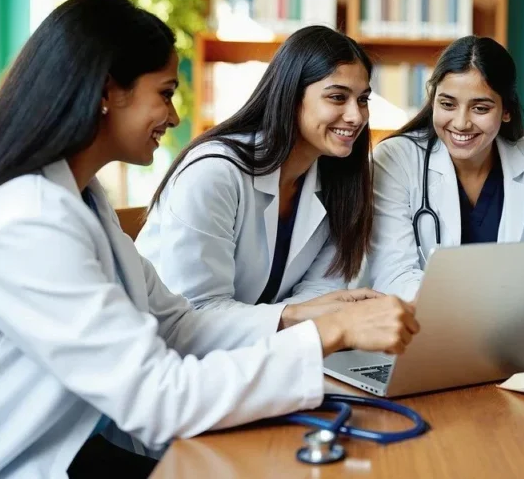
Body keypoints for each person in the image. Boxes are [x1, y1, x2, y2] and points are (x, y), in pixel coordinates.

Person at [0, 0, 418, 479]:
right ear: (108, 91)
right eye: (165, 93)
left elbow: (177, 324)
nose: (176, 117)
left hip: (56, 447)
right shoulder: (26, 222)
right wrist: (328, 333)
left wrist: (317, 317)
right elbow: (159, 398)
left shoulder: (81, 199)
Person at [136, 25, 381, 320]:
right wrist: (293, 317)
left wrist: (304, 317)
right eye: (338, 98)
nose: (356, 117)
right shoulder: (214, 173)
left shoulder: (340, 180)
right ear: (291, 96)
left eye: (363, 99)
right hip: (165, 347)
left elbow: (323, 291)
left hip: (256, 352)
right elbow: (196, 313)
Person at [368, 35, 524, 300]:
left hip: (509, 327)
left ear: (506, 111)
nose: (461, 123)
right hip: (423, 327)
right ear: (433, 100)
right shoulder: (395, 159)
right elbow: (394, 274)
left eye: (480, 108)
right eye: (447, 104)